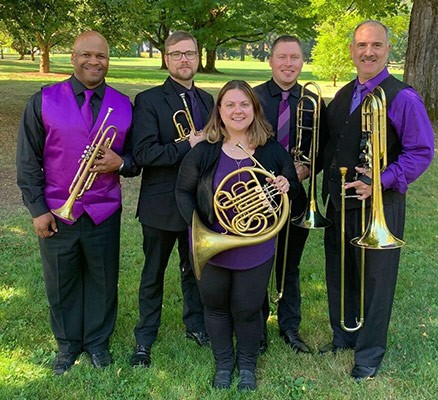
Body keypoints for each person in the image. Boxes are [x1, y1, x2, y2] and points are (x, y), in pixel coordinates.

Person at [16, 31, 139, 375]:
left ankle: (98, 343)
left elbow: (136, 157)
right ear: (72, 58)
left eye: (101, 56)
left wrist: (122, 162)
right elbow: (28, 160)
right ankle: (68, 345)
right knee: (62, 280)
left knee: (102, 279)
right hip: (58, 211)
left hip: (104, 210)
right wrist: (37, 209)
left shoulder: (124, 104)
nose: (94, 62)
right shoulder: (42, 101)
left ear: (108, 61)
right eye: (86, 55)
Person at [321, 20, 434, 381]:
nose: (368, 52)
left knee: (375, 281)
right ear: (353, 50)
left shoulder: (402, 97)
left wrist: (381, 181)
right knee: (342, 272)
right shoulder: (344, 94)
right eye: (361, 45)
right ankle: (344, 336)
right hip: (340, 202)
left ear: (388, 50)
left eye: (376, 45)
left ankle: (368, 354)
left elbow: (421, 151)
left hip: (378, 206)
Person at [176, 80, 300, 390]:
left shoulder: (271, 150)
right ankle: (223, 365)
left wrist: (286, 185)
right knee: (215, 306)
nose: (237, 110)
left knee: (247, 308)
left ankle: (246, 366)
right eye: (230, 104)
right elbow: (183, 190)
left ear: (255, 109)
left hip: (254, 245)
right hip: (213, 244)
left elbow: (292, 186)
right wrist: (198, 228)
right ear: (219, 110)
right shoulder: (205, 151)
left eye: (244, 104)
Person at [130, 31, 214, 368]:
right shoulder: (149, 100)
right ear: (166, 59)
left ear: (197, 57)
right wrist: (187, 145)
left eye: (190, 53)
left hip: (198, 203)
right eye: (177, 54)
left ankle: (195, 325)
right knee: (153, 272)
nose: (184, 60)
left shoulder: (208, 100)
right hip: (160, 204)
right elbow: (143, 152)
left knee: (195, 269)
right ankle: (145, 336)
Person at [254, 35, 329, 353]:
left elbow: (324, 148)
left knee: (290, 263)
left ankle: (289, 327)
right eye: (282, 57)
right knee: (257, 262)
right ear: (270, 60)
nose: (288, 64)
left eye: (295, 58)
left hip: (297, 195)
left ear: (302, 62)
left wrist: (307, 170)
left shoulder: (313, 101)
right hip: (257, 192)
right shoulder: (253, 97)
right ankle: (256, 326)